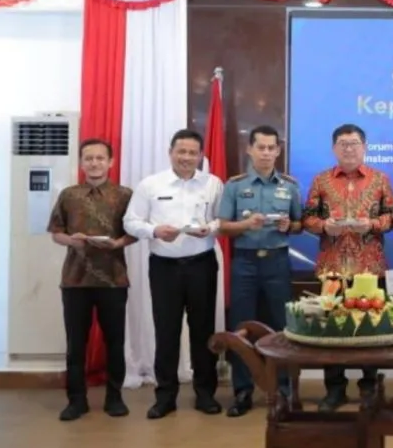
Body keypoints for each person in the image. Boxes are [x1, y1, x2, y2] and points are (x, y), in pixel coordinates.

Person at [123, 129, 224, 419]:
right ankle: (165, 397)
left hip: (202, 265)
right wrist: (154, 230)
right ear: (170, 153)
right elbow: (130, 221)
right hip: (164, 267)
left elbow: (222, 219)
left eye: (193, 153)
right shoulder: (150, 185)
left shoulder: (213, 184)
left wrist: (211, 228)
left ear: (201, 155)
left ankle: (205, 394)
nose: (186, 158)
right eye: (181, 152)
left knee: (203, 330)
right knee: (166, 331)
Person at [301, 124, 393, 411]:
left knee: (370, 329)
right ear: (334, 148)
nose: (349, 149)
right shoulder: (321, 180)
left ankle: (369, 387)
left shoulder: (380, 180)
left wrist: (372, 224)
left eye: (354, 143)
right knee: (331, 330)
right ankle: (335, 389)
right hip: (332, 268)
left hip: (370, 268)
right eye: (343, 143)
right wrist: (323, 226)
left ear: (364, 147)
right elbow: (307, 218)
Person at [216, 125, 303, 418]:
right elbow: (222, 226)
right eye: (260, 147)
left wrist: (289, 226)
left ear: (278, 151)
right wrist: (245, 225)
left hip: (277, 261)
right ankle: (242, 390)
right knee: (242, 327)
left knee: (282, 326)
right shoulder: (235, 186)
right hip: (245, 262)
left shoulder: (289, 186)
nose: (266, 153)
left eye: (271, 148)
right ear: (249, 149)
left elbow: (299, 224)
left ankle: (284, 389)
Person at [47, 138, 136, 421]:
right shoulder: (69, 195)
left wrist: (118, 243)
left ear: (110, 162)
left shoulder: (125, 195)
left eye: (100, 158)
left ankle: (115, 397)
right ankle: (76, 400)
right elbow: (56, 232)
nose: (94, 163)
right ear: (81, 162)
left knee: (115, 341)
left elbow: (135, 232)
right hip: (75, 280)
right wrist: (71, 241)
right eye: (89, 158)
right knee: (76, 343)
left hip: (113, 279)